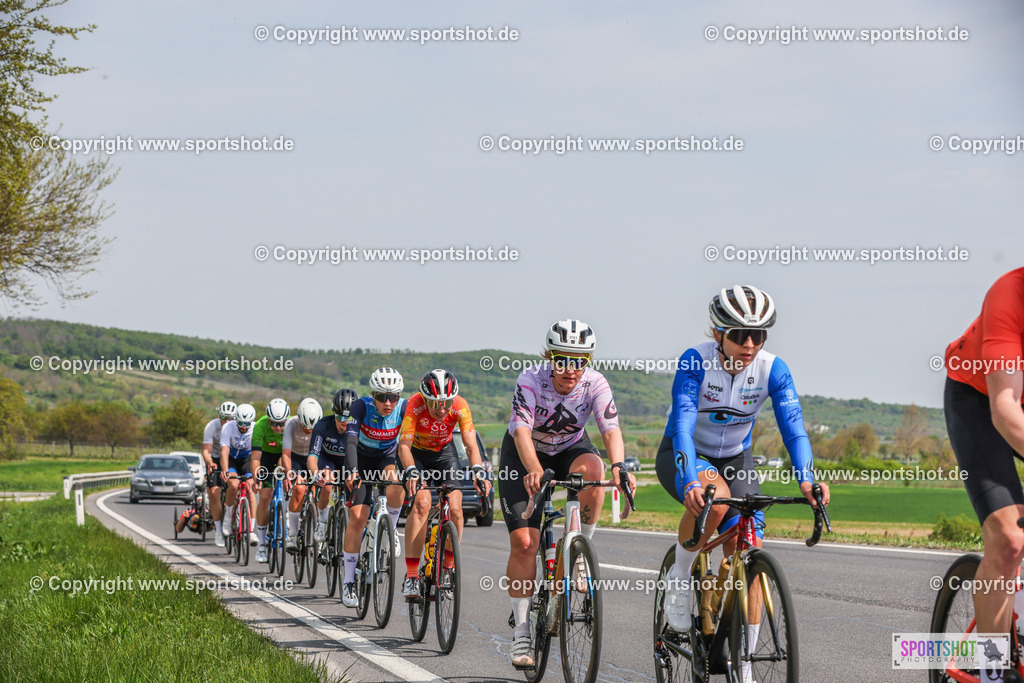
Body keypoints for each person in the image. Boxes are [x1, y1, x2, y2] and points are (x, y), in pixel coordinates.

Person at [655, 285, 826, 683]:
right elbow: (681, 424)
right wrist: (689, 479)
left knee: (750, 553)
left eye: (759, 334)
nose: (750, 343)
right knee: (716, 503)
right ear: (718, 333)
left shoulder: (773, 370)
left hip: (737, 459)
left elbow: (795, 432)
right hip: (685, 453)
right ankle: (680, 578)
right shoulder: (695, 362)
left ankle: (743, 664)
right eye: (738, 334)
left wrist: (807, 480)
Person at [501, 319, 635, 669]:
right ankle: (522, 631)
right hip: (525, 452)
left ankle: (578, 550)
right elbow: (521, 432)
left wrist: (619, 465)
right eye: (563, 360)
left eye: (580, 360)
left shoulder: (595, 383)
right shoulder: (531, 379)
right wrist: (532, 469)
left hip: (570, 449)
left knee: (595, 471)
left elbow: (610, 430)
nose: (571, 369)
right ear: (550, 357)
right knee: (525, 543)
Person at [944, 268, 1024, 683]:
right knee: (1010, 539)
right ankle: (992, 666)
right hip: (980, 400)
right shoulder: (1010, 293)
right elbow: (1006, 411)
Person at [398, 369, 491, 599]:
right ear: (425, 398)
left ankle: (448, 567)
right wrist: (411, 471)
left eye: (446, 403)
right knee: (422, 503)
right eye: (435, 404)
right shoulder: (414, 404)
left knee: (456, 508)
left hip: (444, 453)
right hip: (417, 455)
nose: (441, 409)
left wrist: (478, 471)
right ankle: (411, 576)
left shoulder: (460, 405)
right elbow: (404, 446)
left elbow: (470, 444)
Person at [340, 368, 408, 608]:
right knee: (358, 517)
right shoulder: (360, 406)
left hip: (386, 458)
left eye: (393, 397)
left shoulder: (404, 408)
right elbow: (350, 440)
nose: (388, 403)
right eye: (381, 397)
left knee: (396, 484)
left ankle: (392, 531)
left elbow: (411, 440)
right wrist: (351, 470)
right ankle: (348, 580)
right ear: (372, 395)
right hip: (360, 458)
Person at [306, 388, 358, 548]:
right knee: (327, 482)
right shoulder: (322, 426)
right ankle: (322, 521)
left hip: (348, 462)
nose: (344, 421)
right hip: (327, 460)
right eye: (341, 416)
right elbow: (312, 457)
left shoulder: (358, 428)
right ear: (334, 413)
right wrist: (315, 474)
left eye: (348, 417)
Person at [251, 398, 290, 564]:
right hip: (265, 457)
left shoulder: (289, 426)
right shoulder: (260, 426)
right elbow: (255, 458)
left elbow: (289, 454)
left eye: (281, 424)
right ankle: (261, 544)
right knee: (265, 497)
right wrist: (257, 477)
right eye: (274, 424)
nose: (278, 428)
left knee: (289, 478)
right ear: (268, 419)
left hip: (283, 455)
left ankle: (287, 518)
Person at [282, 397, 323, 550]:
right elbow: (285, 453)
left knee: (318, 491)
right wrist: (289, 474)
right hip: (296, 458)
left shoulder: (322, 424)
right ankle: (292, 534)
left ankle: (318, 532)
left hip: (314, 458)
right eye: (306, 427)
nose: (309, 431)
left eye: (312, 428)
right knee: (299, 488)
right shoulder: (291, 424)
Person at [220, 403, 259, 546]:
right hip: (231, 459)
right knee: (234, 484)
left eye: (246, 424)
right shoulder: (228, 427)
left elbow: (256, 454)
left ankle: (251, 530)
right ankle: (228, 518)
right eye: (240, 423)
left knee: (250, 488)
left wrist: (255, 476)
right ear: (236, 420)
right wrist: (225, 470)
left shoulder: (256, 429)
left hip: (247, 458)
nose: (243, 426)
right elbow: (224, 451)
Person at [202, 400, 235, 547]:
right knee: (214, 493)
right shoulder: (212, 426)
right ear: (219, 417)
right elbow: (206, 451)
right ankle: (218, 530)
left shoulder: (237, 427)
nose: (227, 421)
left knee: (235, 485)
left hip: (230, 458)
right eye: (224, 418)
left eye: (230, 418)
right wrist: (210, 463)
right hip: (215, 458)